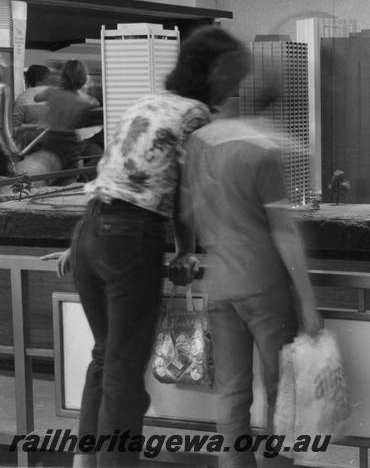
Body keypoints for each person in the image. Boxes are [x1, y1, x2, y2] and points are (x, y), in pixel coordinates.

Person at [43, 26, 250, 468]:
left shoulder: (145, 101)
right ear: (212, 71)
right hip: (129, 237)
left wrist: (79, 247)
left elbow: (116, 175)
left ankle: (84, 459)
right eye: (233, 74)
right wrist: (186, 251)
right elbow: (186, 191)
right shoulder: (195, 114)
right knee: (123, 368)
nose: (237, 85)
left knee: (104, 357)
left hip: (89, 232)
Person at [175, 112, 322, 468]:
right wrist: (307, 300)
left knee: (232, 392)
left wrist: (187, 250)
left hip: (220, 286)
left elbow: (184, 212)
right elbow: (284, 231)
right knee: (281, 392)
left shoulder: (197, 150)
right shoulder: (261, 153)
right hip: (264, 285)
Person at [34, 60, 99, 175]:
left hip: (50, 138)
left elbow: (36, 98)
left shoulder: (52, 92)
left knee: (49, 171)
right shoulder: (86, 101)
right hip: (69, 141)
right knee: (70, 174)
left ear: (63, 77)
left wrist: (57, 87)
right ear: (83, 78)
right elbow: (95, 106)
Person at [12, 63, 51, 149]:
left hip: (29, 148)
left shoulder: (22, 99)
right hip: (55, 147)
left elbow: (14, 129)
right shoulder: (58, 95)